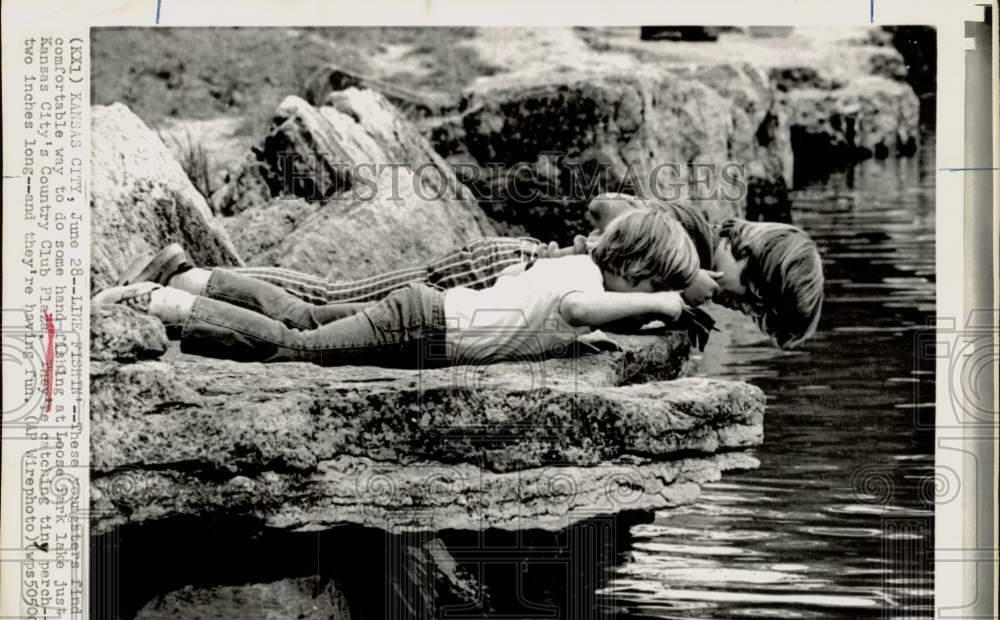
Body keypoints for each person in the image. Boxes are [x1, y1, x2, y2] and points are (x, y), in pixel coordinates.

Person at [93, 209, 699, 369]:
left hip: (427, 321)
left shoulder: (575, 265)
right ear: (637, 274)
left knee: (307, 314)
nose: (644, 294)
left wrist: (642, 312)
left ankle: (190, 275)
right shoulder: (584, 282)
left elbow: (538, 296)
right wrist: (658, 306)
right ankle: (162, 304)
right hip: (424, 324)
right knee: (295, 349)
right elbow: (576, 309)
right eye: (646, 284)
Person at [586, 193, 824, 348]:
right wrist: (685, 275)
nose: (744, 308)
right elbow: (604, 205)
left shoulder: (698, 282)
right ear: (747, 249)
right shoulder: (689, 229)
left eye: (754, 314)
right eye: (753, 297)